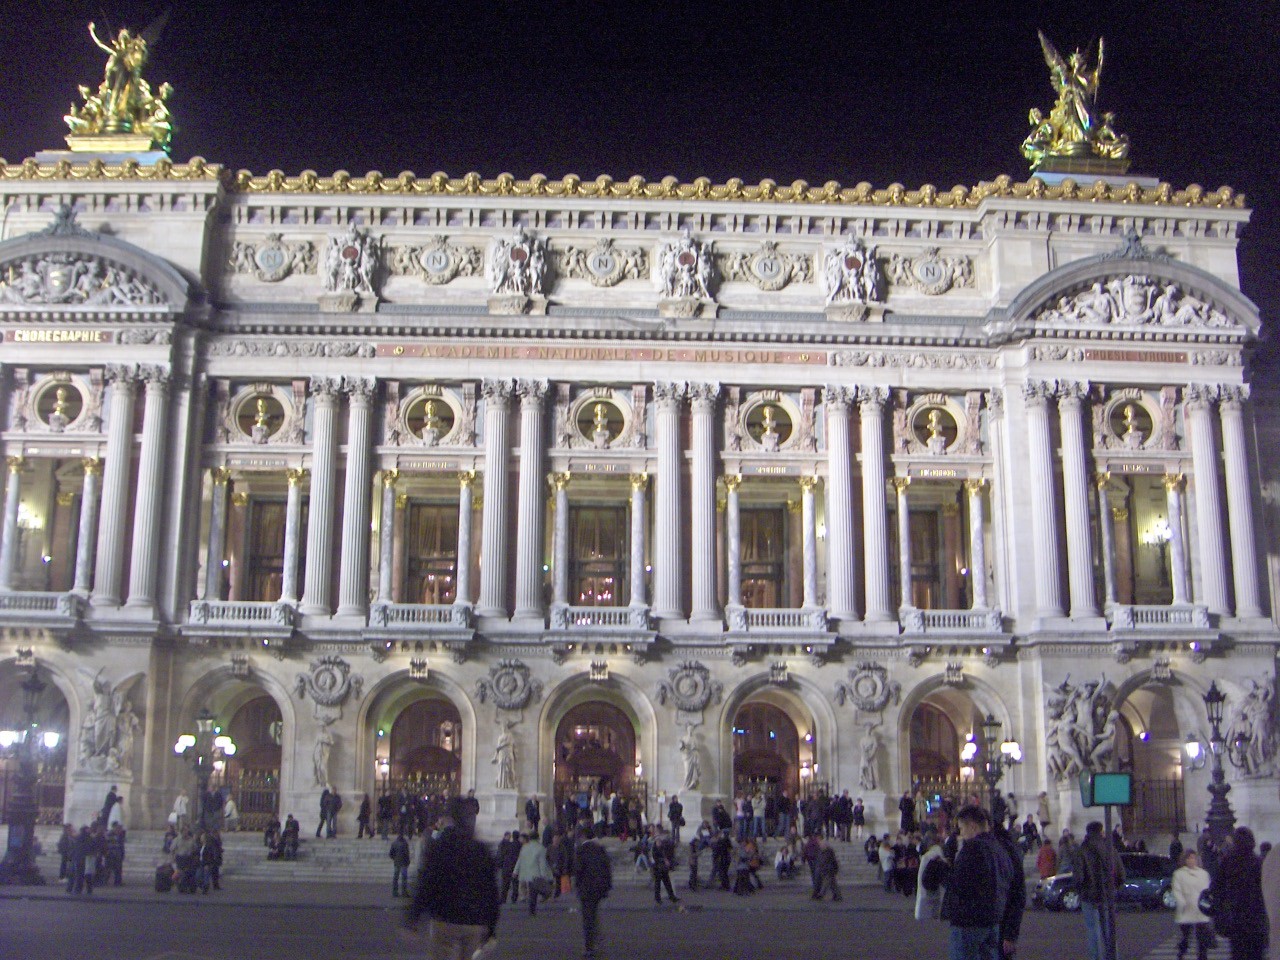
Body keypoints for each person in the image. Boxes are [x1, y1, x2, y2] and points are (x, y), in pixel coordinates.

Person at [402, 800, 499, 960]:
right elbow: (491, 892)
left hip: (445, 920)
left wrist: (413, 917)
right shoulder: (481, 850)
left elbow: (426, 882)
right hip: (474, 922)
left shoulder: (440, 846)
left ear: (451, 819)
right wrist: (491, 928)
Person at [939, 805, 1012, 960]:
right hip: (993, 919)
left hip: (969, 922)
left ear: (972, 826)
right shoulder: (999, 849)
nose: (961, 834)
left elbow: (959, 884)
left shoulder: (973, 848)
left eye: (962, 829)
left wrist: (941, 871)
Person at [1209, 826, 1268, 960]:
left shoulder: (1227, 861)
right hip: (1256, 918)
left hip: (1235, 918)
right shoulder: (1258, 862)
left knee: (1238, 953)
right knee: (1256, 954)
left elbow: (1216, 887)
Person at [1078, 819, 1125, 960]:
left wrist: (1082, 891)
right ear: (1101, 831)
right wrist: (1114, 888)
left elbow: (1079, 877)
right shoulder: (1110, 848)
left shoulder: (1082, 850)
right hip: (1107, 895)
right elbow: (1121, 874)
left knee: (1093, 931)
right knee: (1109, 930)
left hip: (1089, 896)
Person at [574, 824, 613, 960]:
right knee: (594, 914)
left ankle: (590, 947)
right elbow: (607, 869)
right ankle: (598, 941)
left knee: (588, 918)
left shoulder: (581, 850)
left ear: (582, 836)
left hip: (586, 889)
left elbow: (578, 870)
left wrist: (577, 886)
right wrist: (607, 887)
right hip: (599, 889)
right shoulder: (600, 849)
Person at [1171, 850, 1212, 960]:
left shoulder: (1203, 874)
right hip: (1186, 909)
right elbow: (1176, 890)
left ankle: (1202, 957)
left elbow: (1207, 892)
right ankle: (1181, 953)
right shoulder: (1179, 874)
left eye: (1193, 858)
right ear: (1184, 860)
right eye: (1189, 858)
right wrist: (1182, 902)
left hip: (1200, 910)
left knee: (1202, 938)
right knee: (1185, 937)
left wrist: (1208, 906)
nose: (1191, 860)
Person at [514, 831, 554, 916]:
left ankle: (532, 910)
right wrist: (544, 875)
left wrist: (515, 871)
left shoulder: (525, 847)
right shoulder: (541, 848)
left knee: (532, 891)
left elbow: (520, 860)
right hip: (537, 873)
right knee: (535, 891)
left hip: (526, 873)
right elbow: (542, 863)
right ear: (538, 838)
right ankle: (540, 900)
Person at [916, 829, 948, 921]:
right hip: (932, 883)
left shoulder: (929, 855)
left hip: (928, 883)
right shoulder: (937, 852)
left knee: (929, 903)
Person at [812, 836, 841, 901]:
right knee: (832, 884)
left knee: (828, 883)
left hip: (828, 869)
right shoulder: (821, 851)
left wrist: (835, 868)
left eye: (822, 845)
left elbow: (833, 861)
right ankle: (837, 895)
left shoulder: (828, 852)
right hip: (825, 869)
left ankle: (821, 894)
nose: (821, 846)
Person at [497, 830, 522, 904]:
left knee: (505, 884)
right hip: (515, 867)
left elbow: (502, 855)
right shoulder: (519, 845)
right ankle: (514, 898)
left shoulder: (508, 844)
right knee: (515, 884)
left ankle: (503, 899)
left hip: (506, 866)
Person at [389, 832, 411, 897]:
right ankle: (404, 892)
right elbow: (407, 854)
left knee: (396, 877)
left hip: (397, 862)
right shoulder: (405, 844)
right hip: (404, 862)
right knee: (404, 878)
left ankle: (395, 892)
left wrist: (394, 858)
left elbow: (391, 854)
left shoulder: (394, 843)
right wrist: (408, 861)